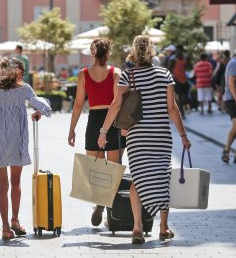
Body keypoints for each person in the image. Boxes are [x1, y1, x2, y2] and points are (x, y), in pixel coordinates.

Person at [97, 35, 191, 244]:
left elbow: (116, 105)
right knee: (163, 178)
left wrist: (103, 131)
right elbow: (172, 108)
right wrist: (183, 135)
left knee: (138, 180)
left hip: (138, 137)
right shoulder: (164, 74)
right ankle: (164, 228)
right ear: (151, 51)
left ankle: (137, 228)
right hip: (160, 136)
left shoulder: (128, 76)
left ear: (133, 51)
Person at [0, 57, 52, 240]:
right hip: (17, 138)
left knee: (2, 185)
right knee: (15, 181)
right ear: (17, 72)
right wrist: (40, 112)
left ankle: (6, 228)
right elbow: (40, 104)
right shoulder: (24, 89)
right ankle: (15, 219)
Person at [68, 37, 126, 227]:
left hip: (93, 122)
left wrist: (71, 129)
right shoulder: (116, 72)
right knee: (114, 169)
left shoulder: (83, 74)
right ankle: (111, 213)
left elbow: (78, 104)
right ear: (108, 53)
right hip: (112, 121)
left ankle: (99, 203)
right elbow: (119, 102)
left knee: (95, 169)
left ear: (93, 53)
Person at [221, 51, 236, 163]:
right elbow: (231, 83)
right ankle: (226, 150)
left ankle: (227, 151)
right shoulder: (234, 63)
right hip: (231, 98)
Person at [168, 45, 189, 118]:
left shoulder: (183, 58)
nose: (180, 52)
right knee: (180, 97)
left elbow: (187, 67)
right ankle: (181, 113)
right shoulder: (173, 59)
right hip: (177, 80)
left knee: (182, 97)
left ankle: (181, 112)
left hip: (182, 79)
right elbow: (169, 69)